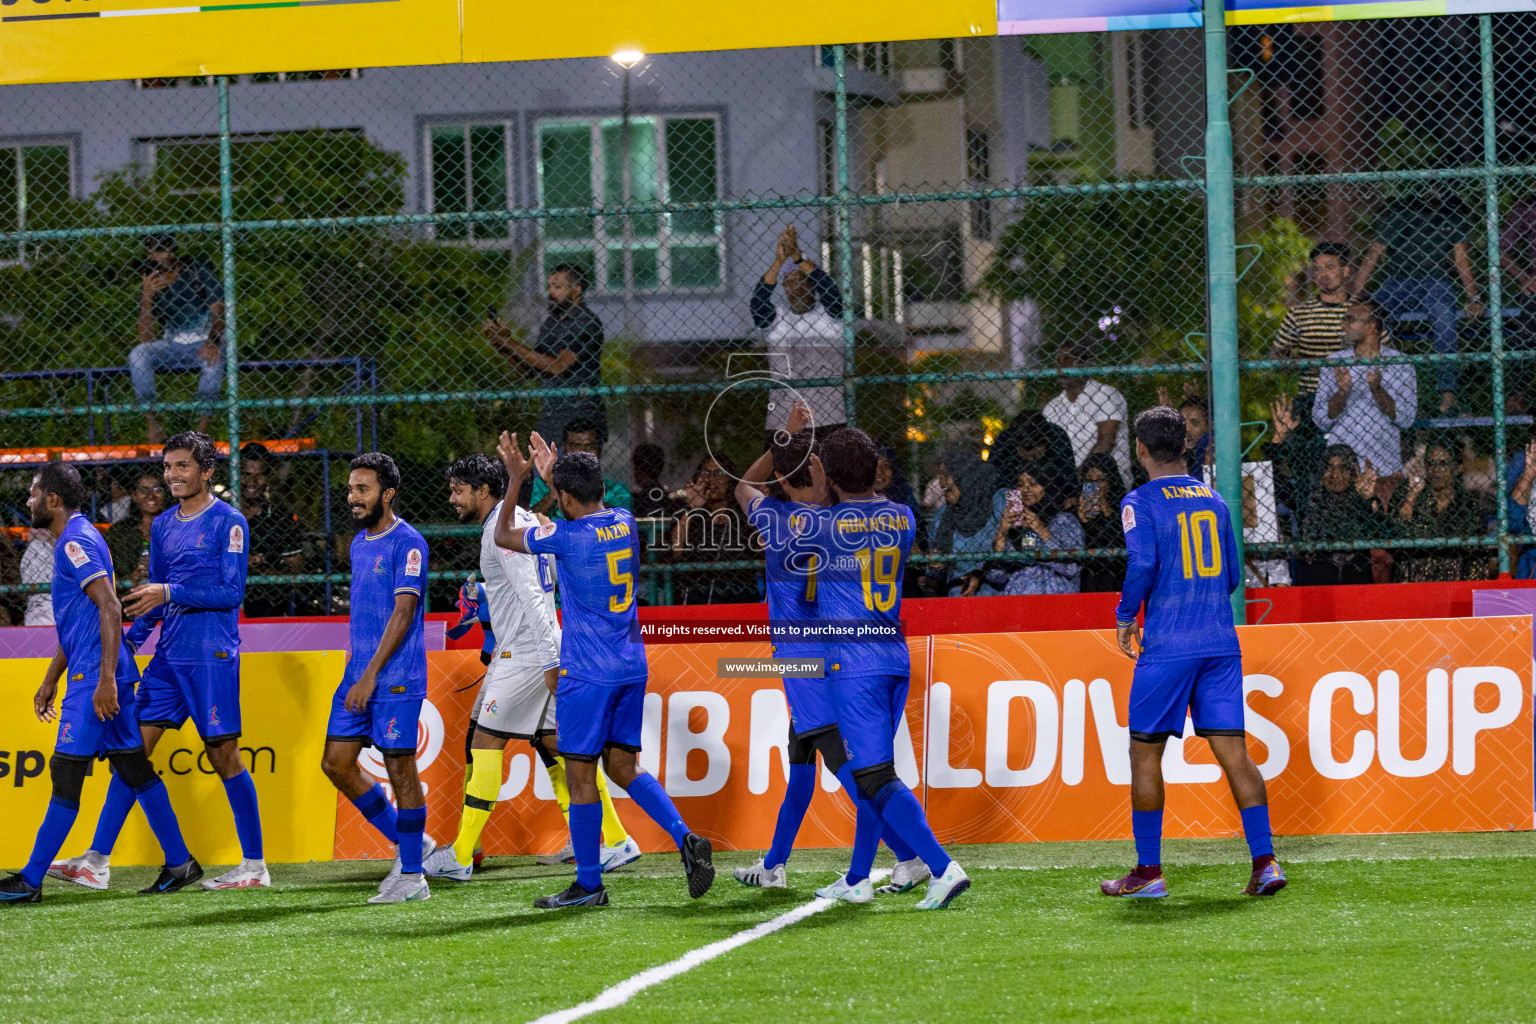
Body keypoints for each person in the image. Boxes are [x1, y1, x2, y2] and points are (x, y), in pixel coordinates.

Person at [496, 431, 715, 909]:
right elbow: (579, 503)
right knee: (623, 765)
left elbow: (503, 536)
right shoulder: (625, 520)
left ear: (566, 498)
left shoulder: (568, 538)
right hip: (630, 667)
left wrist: (518, 480)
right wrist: (557, 479)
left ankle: (590, 884)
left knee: (581, 777)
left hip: (587, 675)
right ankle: (684, 837)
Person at [49, 432, 265, 892]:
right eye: (168, 467)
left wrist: (166, 593)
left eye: (182, 466)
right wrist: (132, 642)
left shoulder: (230, 523)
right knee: (132, 755)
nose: (172, 475)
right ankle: (97, 860)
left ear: (207, 471)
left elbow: (231, 593)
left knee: (224, 756)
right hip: (168, 659)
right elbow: (153, 599)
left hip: (211, 655)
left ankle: (254, 865)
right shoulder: (163, 525)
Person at [730, 408, 927, 895]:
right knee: (799, 761)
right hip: (842, 652)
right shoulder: (839, 519)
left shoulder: (778, 518)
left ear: (781, 475)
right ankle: (774, 863)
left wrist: (785, 439)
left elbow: (739, 486)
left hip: (810, 664)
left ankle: (909, 857)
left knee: (859, 776)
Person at [424, 454, 638, 882]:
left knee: (484, 742)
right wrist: (487, 592)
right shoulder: (525, 518)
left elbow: (534, 596)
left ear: (483, 491)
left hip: (526, 653)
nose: (452, 499)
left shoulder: (497, 531)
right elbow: (546, 573)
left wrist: (549, 658)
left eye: (458, 490)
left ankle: (462, 854)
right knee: (555, 746)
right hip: (538, 647)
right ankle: (614, 840)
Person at [1105, 406, 1285, 900]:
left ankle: (1148, 872)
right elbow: (1231, 578)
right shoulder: (1216, 501)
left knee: (1145, 757)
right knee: (1235, 754)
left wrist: (1125, 616)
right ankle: (1265, 863)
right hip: (1220, 644)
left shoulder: (1139, 502)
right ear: (1185, 446)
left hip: (1168, 647)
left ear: (1140, 449)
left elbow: (1141, 564)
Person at [1, 464, 202, 903]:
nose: (29, 501)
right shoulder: (80, 537)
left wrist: (105, 680)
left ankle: (30, 881)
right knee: (134, 769)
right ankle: (181, 862)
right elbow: (83, 620)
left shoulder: (73, 541)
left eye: (34, 493)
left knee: (66, 774)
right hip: (100, 673)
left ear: (53, 499)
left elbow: (111, 609)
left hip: (96, 679)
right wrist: (51, 677)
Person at [811, 427, 969, 909]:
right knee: (873, 774)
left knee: (875, 776)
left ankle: (942, 866)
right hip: (892, 656)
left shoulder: (822, 526)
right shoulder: (901, 517)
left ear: (832, 477)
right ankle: (859, 877)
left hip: (853, 661)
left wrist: (819, 481)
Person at [318, 453, 434, 904]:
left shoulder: (409, 544)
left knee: (400, 769)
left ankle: (412, 878)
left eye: (363, 489)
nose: (353, 497)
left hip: (396, 678)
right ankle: (413, 844)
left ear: (387, 493)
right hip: (359, 675)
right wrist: (359, 675)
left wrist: (369, 676)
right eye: (350, 489)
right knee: (336, 764)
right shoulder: (360, 543)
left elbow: (403, 613)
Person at [1354, 187, 1482, 414]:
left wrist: (1473, 296)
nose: (1432, 193)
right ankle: (1377, 382)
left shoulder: (1452, 213)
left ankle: (1447, 392)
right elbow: (1375, 252)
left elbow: (1460, 256)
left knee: (1444, 317)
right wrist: (1355, 296)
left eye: (1438, 186)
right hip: (1398, 281)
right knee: (1376, 317)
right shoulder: (1400, 211)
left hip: (1436, 281)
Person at [486, 263, 606, 445]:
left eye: (557, 287)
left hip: (580, 427)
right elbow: (527, 370)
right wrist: (502, 345)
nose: (550, 293)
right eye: (549, 286)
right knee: (542, 473)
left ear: (576, 290)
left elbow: (558, 366)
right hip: (550, 423)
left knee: (572, 473)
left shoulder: (585, 321)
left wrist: (508, 342)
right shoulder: (551, 323)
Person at [752, 226, 848, 437]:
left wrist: (797, 256)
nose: (797, 289)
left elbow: (829, 289)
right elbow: (758, 302)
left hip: (829, 419)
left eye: (803, 282)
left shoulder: (830, 316)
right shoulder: (778, 317)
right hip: (783, 420)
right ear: (784, 288)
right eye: (790, 284)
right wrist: (779, 261)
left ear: (812, 286)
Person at [128, 235, 225, 444]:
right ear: (149, 255)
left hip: (204, 341)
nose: (163, 255)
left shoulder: (196, 270)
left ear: (174, 251)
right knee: (138, 354)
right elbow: (146, 338)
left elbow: (218, 310)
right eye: (157, 251)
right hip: (171, 345)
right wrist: (147, 297)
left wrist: (213, 341)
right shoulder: (151, 282)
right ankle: (153, 425)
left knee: (213, 361)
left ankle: (200, 431)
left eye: (166, 249)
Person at [1312, 300, 1417, 487]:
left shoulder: (1400, 363)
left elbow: (1406, 419)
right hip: (1341, 471)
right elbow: (1320, 420)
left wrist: (1378, 391)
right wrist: (1342, 393)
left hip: (1384, 468)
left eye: (1350, 320)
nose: (1342, 325)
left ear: (1371, 326)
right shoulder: (1333, 362)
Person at [1391, 440, 1493, 582]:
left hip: (1454, 581)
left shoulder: (1470, 506)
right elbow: (1397, 533)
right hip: (1414, 580)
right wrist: (1412, 496)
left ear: (1457, 468)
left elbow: (1476, 557)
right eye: (1430, 463)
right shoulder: (1411, 498)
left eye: (1443, 463)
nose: (1435, 470)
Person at [1294, 444, 1392, 587]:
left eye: (1343, 468)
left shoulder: (1361, 501)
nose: (1335, 475)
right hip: (1316, 582)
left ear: (1353, 472)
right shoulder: (1309, 501)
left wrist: (1367, 500)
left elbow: (1385, 536)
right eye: (1329, 468)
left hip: (1355, 583)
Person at [1273, 242, 1359, 401]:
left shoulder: (1361, 312)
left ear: (1345, 271)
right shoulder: (1299, 313)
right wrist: (1305, 364)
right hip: (1311, 397)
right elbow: (1277, 356)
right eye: (1318, 269)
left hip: (1356, 396)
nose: (1323, 274)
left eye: (1330, 267)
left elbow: (1382, 352)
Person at [670, 453, 758, 605]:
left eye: (719, 473)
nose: (711, 479)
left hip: (736, 599)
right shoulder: (690, 514)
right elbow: (676, 550)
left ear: (730, 479)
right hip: (696, 599)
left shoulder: (743, 515)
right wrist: (692, 508)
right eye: (706, 473)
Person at [1043, 340, 1132, 487]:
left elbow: (1106, 442)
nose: (1062, 366)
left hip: (1104, 481)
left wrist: (1077, 477)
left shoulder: (1105, 394)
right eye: (1058, 361)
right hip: (1063, 483)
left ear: (1086, 364)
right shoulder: (1052, 406)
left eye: (1068, 360)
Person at [985, 468, 1084, 595]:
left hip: (1056, 598)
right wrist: (1002, 531)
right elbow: (995, 575)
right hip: (1020, 601)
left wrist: (1039, 528)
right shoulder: (1013, 525)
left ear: (1047, 486)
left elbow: (1071, 568)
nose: (1026, 490)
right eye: (1020, 485)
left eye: (1033, 484)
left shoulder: (1064, 521)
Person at [239, 442, 306, 618]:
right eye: (246, 475)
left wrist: (264, 571)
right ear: (236, 474)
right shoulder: (217, 515)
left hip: (266, 606)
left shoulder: (281, 519)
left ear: (268, 478)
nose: (252, 482)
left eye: (259, 475)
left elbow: (296, 569)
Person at [922, 447, 999, 597]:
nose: (942, 483)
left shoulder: (999, 502)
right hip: (960, 593)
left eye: (946, 476)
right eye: (940, 477)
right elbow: (934, 575)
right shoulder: (943, 516)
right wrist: (936, 565)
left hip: (998, 590)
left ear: (966, 476)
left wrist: (982, 572)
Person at [531, 419, 631, 518]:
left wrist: (584, 493)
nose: (582, 452)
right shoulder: (538, 487)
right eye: (575, 446)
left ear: (599, 450)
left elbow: (620, 522)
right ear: (564, 449)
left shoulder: (619, 491)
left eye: (590, 446)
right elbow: (527, 522)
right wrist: (553, 493)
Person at [1076, 453, 1127, 593]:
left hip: (1116, 572)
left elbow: (1123, 540)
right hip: (1087, 574)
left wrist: (1107, 511)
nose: (1095, 486)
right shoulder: (1075, 508)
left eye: (1101, 480)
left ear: (1111, 481)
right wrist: (1082, 522)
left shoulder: (1125, 507)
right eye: (1089, 481)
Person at [104, 471, 164, 587]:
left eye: (157, 490)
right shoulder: (119, 532)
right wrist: (131, 578)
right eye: (143, 490)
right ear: (135, 496)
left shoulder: (176, 527)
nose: (151, 495)